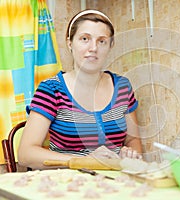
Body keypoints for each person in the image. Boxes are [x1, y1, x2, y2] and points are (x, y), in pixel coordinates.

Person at [18, 9, 143, 170]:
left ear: (111, 46)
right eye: (85, 39)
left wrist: (131, 153)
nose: (93, 48)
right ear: (70, 43)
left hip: (114, 182)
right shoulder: (52, 89)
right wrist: (85, 161)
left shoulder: (123, 87)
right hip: (67, 185)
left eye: (102, 41)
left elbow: (133, 140)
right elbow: (26, 154)